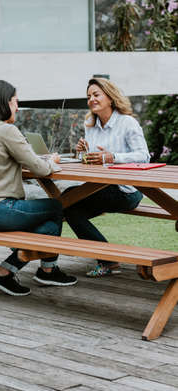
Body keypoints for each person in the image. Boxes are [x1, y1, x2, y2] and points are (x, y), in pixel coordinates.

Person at [0, 80, 77, 296]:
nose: (17, 107)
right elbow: (40, 168)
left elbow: (16, 159)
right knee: (55, 207)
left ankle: (19, 270)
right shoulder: (7, 130)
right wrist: (53, 161)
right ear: (5, 103)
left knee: (47, 224)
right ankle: (41, 270)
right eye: (16, 102)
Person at [63, 77, 150, 278]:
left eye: (96, 94)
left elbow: (144, 156)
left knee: (66, 200)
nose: (91, 99)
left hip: (126, 191)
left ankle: (44, 257)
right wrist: (82, 153)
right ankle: (107, 260)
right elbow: (94, 160)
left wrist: (113, 156)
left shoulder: (127, 123)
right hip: (99, 187)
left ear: (110, 98)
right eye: (88, 96)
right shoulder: (90, 124)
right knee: (69, 206)